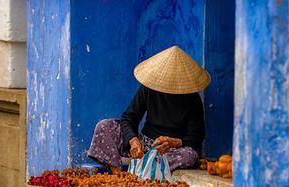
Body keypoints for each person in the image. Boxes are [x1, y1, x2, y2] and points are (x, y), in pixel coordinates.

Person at [87, 46, 211, 174]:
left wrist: (175, 142)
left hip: (170, 150)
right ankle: (118, 174)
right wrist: (133, 140)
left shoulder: (192, 99)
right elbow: (128, 118)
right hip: (145, 145)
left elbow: (196, 137)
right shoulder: (150, 88)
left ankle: (140, 173)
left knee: (189, 155)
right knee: (104, 126)